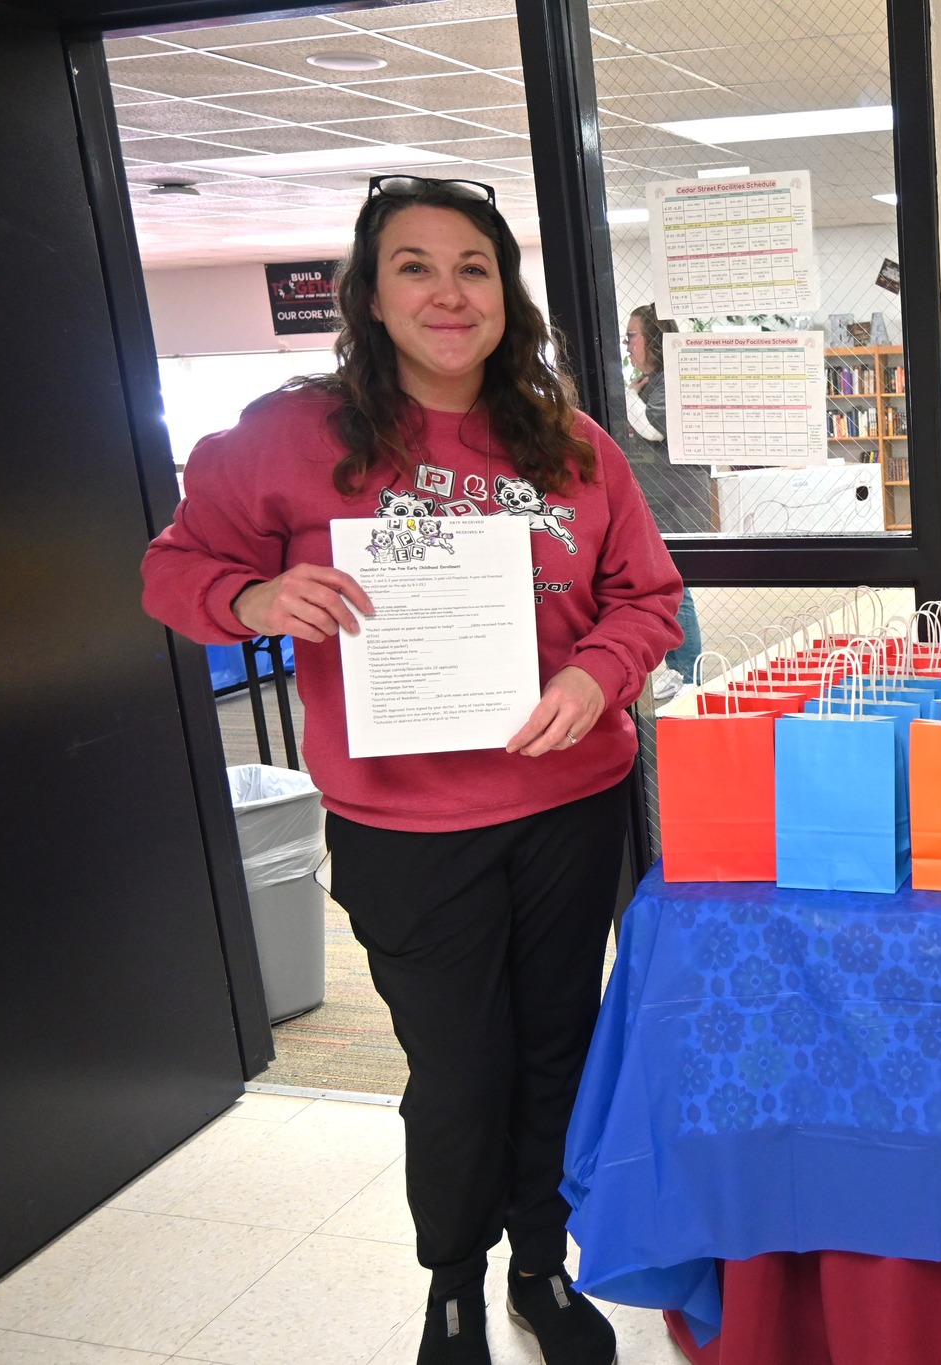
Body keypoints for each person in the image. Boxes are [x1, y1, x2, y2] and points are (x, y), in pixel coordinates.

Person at [142, 175, 683, 1365]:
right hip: (404, 826)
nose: (449, 292)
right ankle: (453, 1279)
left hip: (569, 806)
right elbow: (173, 570)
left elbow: (647, 596)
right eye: (416, 266)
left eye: (475, 267)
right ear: (370, 297)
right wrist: (254, 595)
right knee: (456, 1070)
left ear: (507, 295)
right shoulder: (291, 436)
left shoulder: (574, 444)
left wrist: (596, 674)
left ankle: (541, 1267)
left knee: (558, 1046)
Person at [623, 303, 702, 695]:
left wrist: (628, 399)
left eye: (631, 336)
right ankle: (681, 667)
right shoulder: (649, 381)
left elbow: (654, 428)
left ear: (652, 337)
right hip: (658, 495)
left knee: (678, 584)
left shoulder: (671, 380)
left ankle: (689, 673)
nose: (626, 346)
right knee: (671, 584)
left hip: (677, 496)